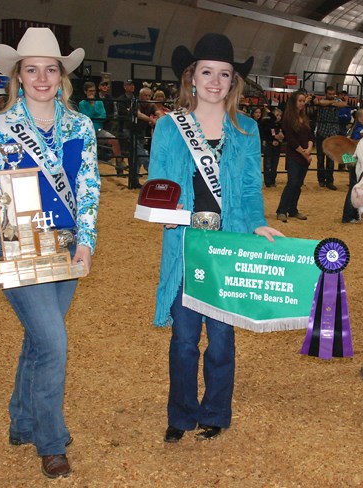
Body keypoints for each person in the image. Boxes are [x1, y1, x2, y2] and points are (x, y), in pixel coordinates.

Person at [0, 27, 100, 478]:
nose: (41, 78)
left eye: (50, 69)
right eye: (31, 70)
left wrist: (86, 244)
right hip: (16, 251)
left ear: (61, 76)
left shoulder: (80, 126)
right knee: (54, 343)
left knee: (39, 341)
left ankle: (21, 421)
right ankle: (50, 439)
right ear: (18, 77)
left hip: (63, 252)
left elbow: (89, 189)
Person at [148, 33, 283, 444]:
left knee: (222, 339)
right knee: (185, 338)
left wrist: (257, 223)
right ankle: (181, 414)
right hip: (187, 243)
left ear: (233, 82)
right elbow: (158, 183)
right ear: (192, 77)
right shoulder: (170, 128)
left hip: (229, 246)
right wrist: (165, 214)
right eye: (207, 72)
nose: (215, 81)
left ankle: (216, 412)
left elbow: (248, 189)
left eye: (224, 74)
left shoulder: (246, 130)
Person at [276, 90, 314, 222]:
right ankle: (281, 210)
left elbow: (310, 136)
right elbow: (291, 140)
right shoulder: (288, 119)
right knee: (292, 183)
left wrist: (309, 149)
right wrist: (305, 154)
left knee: (298, 184)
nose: (302, 103)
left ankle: (293, 209)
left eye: (304, 101)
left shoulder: (305, 118)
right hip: (294, 155)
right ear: (294, 102)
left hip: (305, 155)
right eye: (300, 101)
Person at [78, 81, 123, 169]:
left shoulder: (99, 102)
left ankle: (119, 164)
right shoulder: (82, 103)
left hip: (98, 129)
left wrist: (94, 115)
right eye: (90, 91)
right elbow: (86, 118)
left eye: (93, 91)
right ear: (85, 92)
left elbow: (103, 116)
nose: (92, 93)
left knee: (114, 140)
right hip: (87, 132)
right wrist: (92, 105)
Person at [341, 108, 363, 223]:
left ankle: (354, 214)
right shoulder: (360, 131)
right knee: (354, 187)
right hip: (356, 161)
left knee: (355, 187)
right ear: (359, 118)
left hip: (351, 160)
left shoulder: (355, 128)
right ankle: (348, 216)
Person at [315, 86, 346, 190]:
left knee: (330, 159)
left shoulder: (336, 101)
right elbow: (320, 103)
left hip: (332, 134)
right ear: (326, 94)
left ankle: (329, 181)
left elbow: (343, 104)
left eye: (333, 94)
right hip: (321, 132)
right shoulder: (323, 100)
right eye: (329, 94)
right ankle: (321, 180)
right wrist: (332, 103)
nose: (331, 96)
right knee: (320, 158)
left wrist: (330, 103)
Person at [261, 107, 284, 187]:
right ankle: (267, 182)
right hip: (269, 145)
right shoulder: (267, 123)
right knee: (267, 164)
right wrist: (273, 138)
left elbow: (283, 135)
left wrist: (281, 138)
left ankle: (272, 181)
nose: (278, 117)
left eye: (280, 115)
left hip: (277, 146)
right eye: (276, 115)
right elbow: (267, 133)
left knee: (275, 164)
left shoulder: (280, 125)